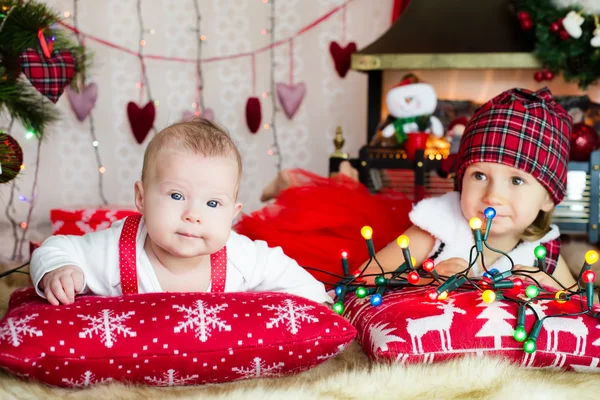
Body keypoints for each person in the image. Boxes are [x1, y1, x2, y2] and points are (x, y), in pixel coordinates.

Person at [247, 87, 576, 291]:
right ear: (461, 178)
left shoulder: (542, 250)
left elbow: (585, 308)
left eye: (516, 181)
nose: (493, 196)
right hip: (388, 243)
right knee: (324, 224)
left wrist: (550, 289)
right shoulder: (438, 229)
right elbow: (363, 278)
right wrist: (425, 279)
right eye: (479, 175)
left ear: (548, 197)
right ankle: (296, 185)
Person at [30, 119, 332, 306]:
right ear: (141, 198)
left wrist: (321, 304)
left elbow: (294, 280)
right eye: (176, 195)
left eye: (213, 204)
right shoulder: (116, 250)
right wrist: (58, 271)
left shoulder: (240, 256)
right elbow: (56, 247)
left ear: (233, 214)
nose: (193, 215)